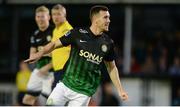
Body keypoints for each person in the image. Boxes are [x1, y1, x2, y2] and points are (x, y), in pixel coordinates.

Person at [25, 5, 128, 106]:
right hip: (64, 85)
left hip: (83, 92)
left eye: (109, 17)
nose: (109, 20)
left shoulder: (108, 43)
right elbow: (54, 44)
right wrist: (40, 53)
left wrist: (120, 90)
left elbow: (112, 67)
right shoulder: (77, 33)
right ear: (95, 19)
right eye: (106, 17)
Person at [22, 5, 54, 106]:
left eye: (42, 16)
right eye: (38, 16)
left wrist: (47, 65)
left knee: (52, 102)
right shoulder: (35, 35)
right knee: (27, 100)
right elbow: (32, 55)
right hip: (39, 71)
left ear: (48, 17)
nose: (40, 19)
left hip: (53, 72)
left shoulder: (55, 32)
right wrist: (34, 57)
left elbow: (60, 55)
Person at [51, 4, 73, 89]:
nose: (56, 17)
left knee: (54, 100)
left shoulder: (67, 30)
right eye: (54, 14)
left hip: (65, 70)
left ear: (64, 15)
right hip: (58, 69)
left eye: (59, 14)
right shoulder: (55, 30)